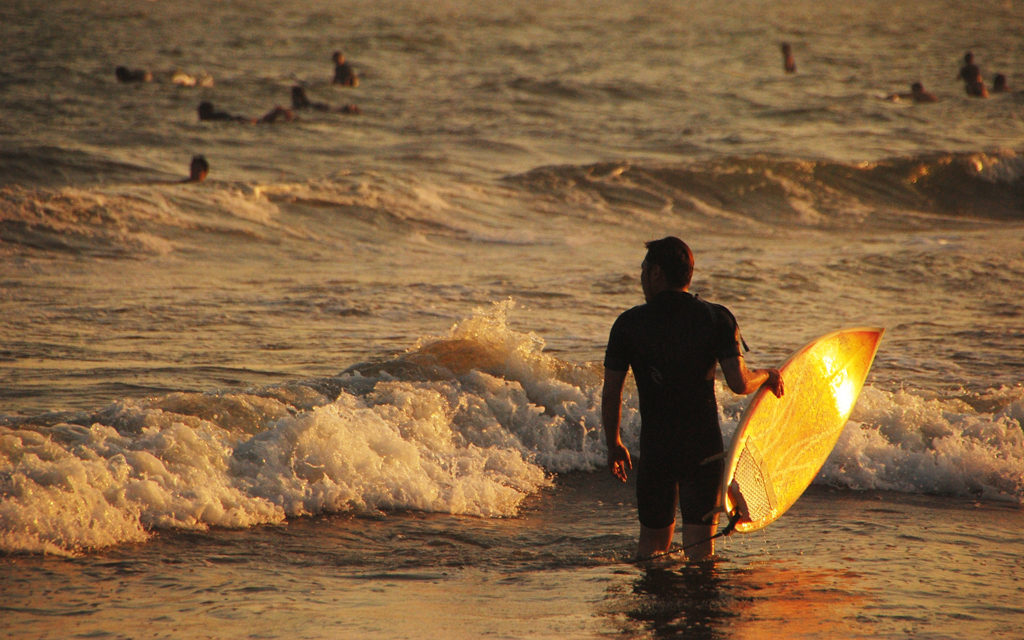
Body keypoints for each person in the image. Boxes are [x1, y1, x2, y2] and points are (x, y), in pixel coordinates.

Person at [602, 237, 784, 562]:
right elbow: (740, 383)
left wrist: (614, 441)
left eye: (643, 270)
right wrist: (767, 375)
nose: (641, 277)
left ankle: (653, 609)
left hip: (657, 447)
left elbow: (612, 390)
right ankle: (700, 609)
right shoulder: (717, 318)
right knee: (701, 552)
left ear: (656, 272)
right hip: (702, 449)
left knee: (652, 550)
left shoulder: (629, 324)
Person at [291, 86, 361, 114]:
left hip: (319, 107)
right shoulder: (303, 103)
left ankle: (347, 108)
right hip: (320, 106)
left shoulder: (300, 104)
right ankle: (347, 108)